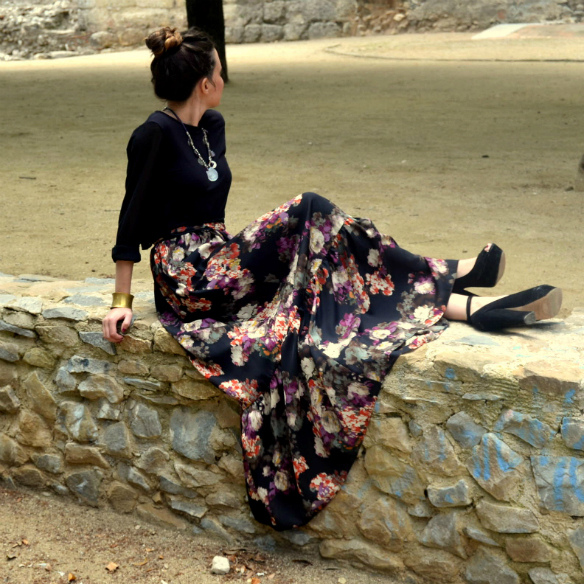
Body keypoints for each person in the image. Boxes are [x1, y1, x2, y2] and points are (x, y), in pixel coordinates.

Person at [102, 26, 562, 531]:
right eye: (219, 70)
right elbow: (130, 221)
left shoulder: (212, 126)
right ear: (206, 82)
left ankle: (468, 306)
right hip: (189, 276)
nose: (223, 78)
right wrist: (121, 300)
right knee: (312, 211)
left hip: (222, 257)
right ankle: (456, 275)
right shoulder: (152, 134)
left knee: (327, 253)